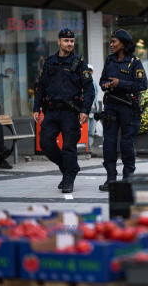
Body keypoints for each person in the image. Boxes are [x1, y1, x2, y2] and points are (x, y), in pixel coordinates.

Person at [33, 28, 95, 194]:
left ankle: (68, 179)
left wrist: (85, 110)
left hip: (70, 112)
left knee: (69, 146)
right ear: (59, 42)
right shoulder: (49, 61)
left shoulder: (79, 62)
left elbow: (89, 89)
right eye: (66, 41)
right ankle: (68, 167)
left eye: (72, 41)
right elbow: (41, 87)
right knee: (45, 144)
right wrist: (36, 107)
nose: (70, 44)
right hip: (51, 111)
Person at [98, 29, 148, 191]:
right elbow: (102, 80)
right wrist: (105, 84)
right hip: (111, 106)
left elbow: (142, 85)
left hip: (128, 108)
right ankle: (111, 179)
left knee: (126, 144)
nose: (111, 44)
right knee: (109, 144)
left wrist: (120, 83)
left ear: (123, 44)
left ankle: (128, 179)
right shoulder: (110, 60)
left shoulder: (135, 62)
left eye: (114, 41)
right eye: (111, 41)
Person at [87, 64, 99, 158]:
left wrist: (97, 109)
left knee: (91, 132)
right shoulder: (81, 82)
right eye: (87, 70)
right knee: (85, 132)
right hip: (85, 112)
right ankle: (85, 150)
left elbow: (96, 97)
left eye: (90, 70)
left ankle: (89, 150)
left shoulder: (94, 83)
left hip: (93, 112)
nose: (89, 72)